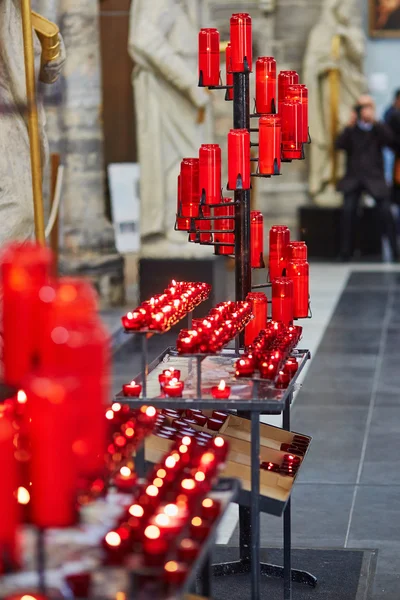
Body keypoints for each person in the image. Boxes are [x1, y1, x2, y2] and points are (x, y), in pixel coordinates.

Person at [0, 0, 65, 245]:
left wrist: (49, 50)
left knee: (23, 206)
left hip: (11, 104)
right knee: (19, 207)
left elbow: (45, 71)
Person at [336, 95, 399, 261]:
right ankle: (345, 252)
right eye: (361, 107)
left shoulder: (378, 128)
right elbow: (339, 144)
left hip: (374, 178)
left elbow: (391, 141)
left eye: (367, 106)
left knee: (386, 211)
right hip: (354, 177)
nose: (364, 110)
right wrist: (349, 125)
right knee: (348, 210)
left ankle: (395, 251)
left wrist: (375, 122)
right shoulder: (351, 130)